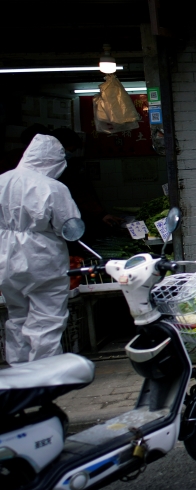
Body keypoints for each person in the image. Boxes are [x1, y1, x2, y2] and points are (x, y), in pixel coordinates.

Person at [0, 134, 81, 364]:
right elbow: (70, 227)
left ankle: (20, 371)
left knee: (17, 316)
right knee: (46, 318)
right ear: (53, 161)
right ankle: (43, 372)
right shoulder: (53, 187)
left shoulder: (2, 180)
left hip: (5, 257)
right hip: (41, 257)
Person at [49, 127, 123, 241]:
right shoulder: (56, 172)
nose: (70, 154)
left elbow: (82, 194)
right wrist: (100, 214)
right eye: (70, 150)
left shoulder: (67, 167)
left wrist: (101, 214)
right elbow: (79, 194)